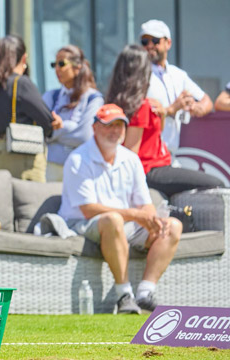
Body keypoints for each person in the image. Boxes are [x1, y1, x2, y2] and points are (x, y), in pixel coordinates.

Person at [58, 103, 182, 314]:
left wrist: (151, 219)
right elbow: (88, 209)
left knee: (173, 226)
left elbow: (145, 203)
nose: (115, 131)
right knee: (113, 219)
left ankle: (145, 293)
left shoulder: (131, 159)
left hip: (121, 225)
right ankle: (124, 294)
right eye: (109, 125)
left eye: (120, 126)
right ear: (95, 127)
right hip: (81, 224)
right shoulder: (78, 159)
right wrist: (136, 215)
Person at [107, 45, 223, 197]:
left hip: (157, 166)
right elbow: (131, 155)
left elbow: (152, 138)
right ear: (142, 72)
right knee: (217, 184)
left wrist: (163, 112)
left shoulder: (114, 103)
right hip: (151, 170)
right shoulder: (142, 106)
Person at [141, 19, 213, 159]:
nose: (149, 45)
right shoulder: (137, 74)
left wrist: (196, 107)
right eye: (145, 41)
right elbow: (140, 114)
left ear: (168, 43)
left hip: (172, 154)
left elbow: (206, 100)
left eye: (155, 40)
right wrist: (172, 109)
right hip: (148, 155)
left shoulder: (177, 74)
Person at [0, 35, 54, 182]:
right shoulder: (21, 83)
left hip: (1, 154)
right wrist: (54, 123)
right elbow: (47, 120)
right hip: (24, 157)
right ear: (24, 58)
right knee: (30, 203)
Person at [42, 45, 103, 181]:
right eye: (54, 64)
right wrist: (72, 128)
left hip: (80, 167)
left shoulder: (93, 98)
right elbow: (40, 132)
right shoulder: (50, 97)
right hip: (50, 168)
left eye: (61, 64)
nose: (57, 69)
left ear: (77, 67)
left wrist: (59, 128)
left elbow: (85, 136)